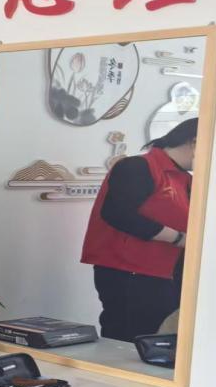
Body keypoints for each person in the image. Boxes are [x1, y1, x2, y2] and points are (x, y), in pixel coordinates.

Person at [81, 118, 196, 342]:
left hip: (167, 273)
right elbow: (118, 214)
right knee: (129, 340)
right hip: (129, 273)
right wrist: (178, 238)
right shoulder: (137, 167)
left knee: (158, 339)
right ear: (195, 142)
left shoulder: (185, 179)